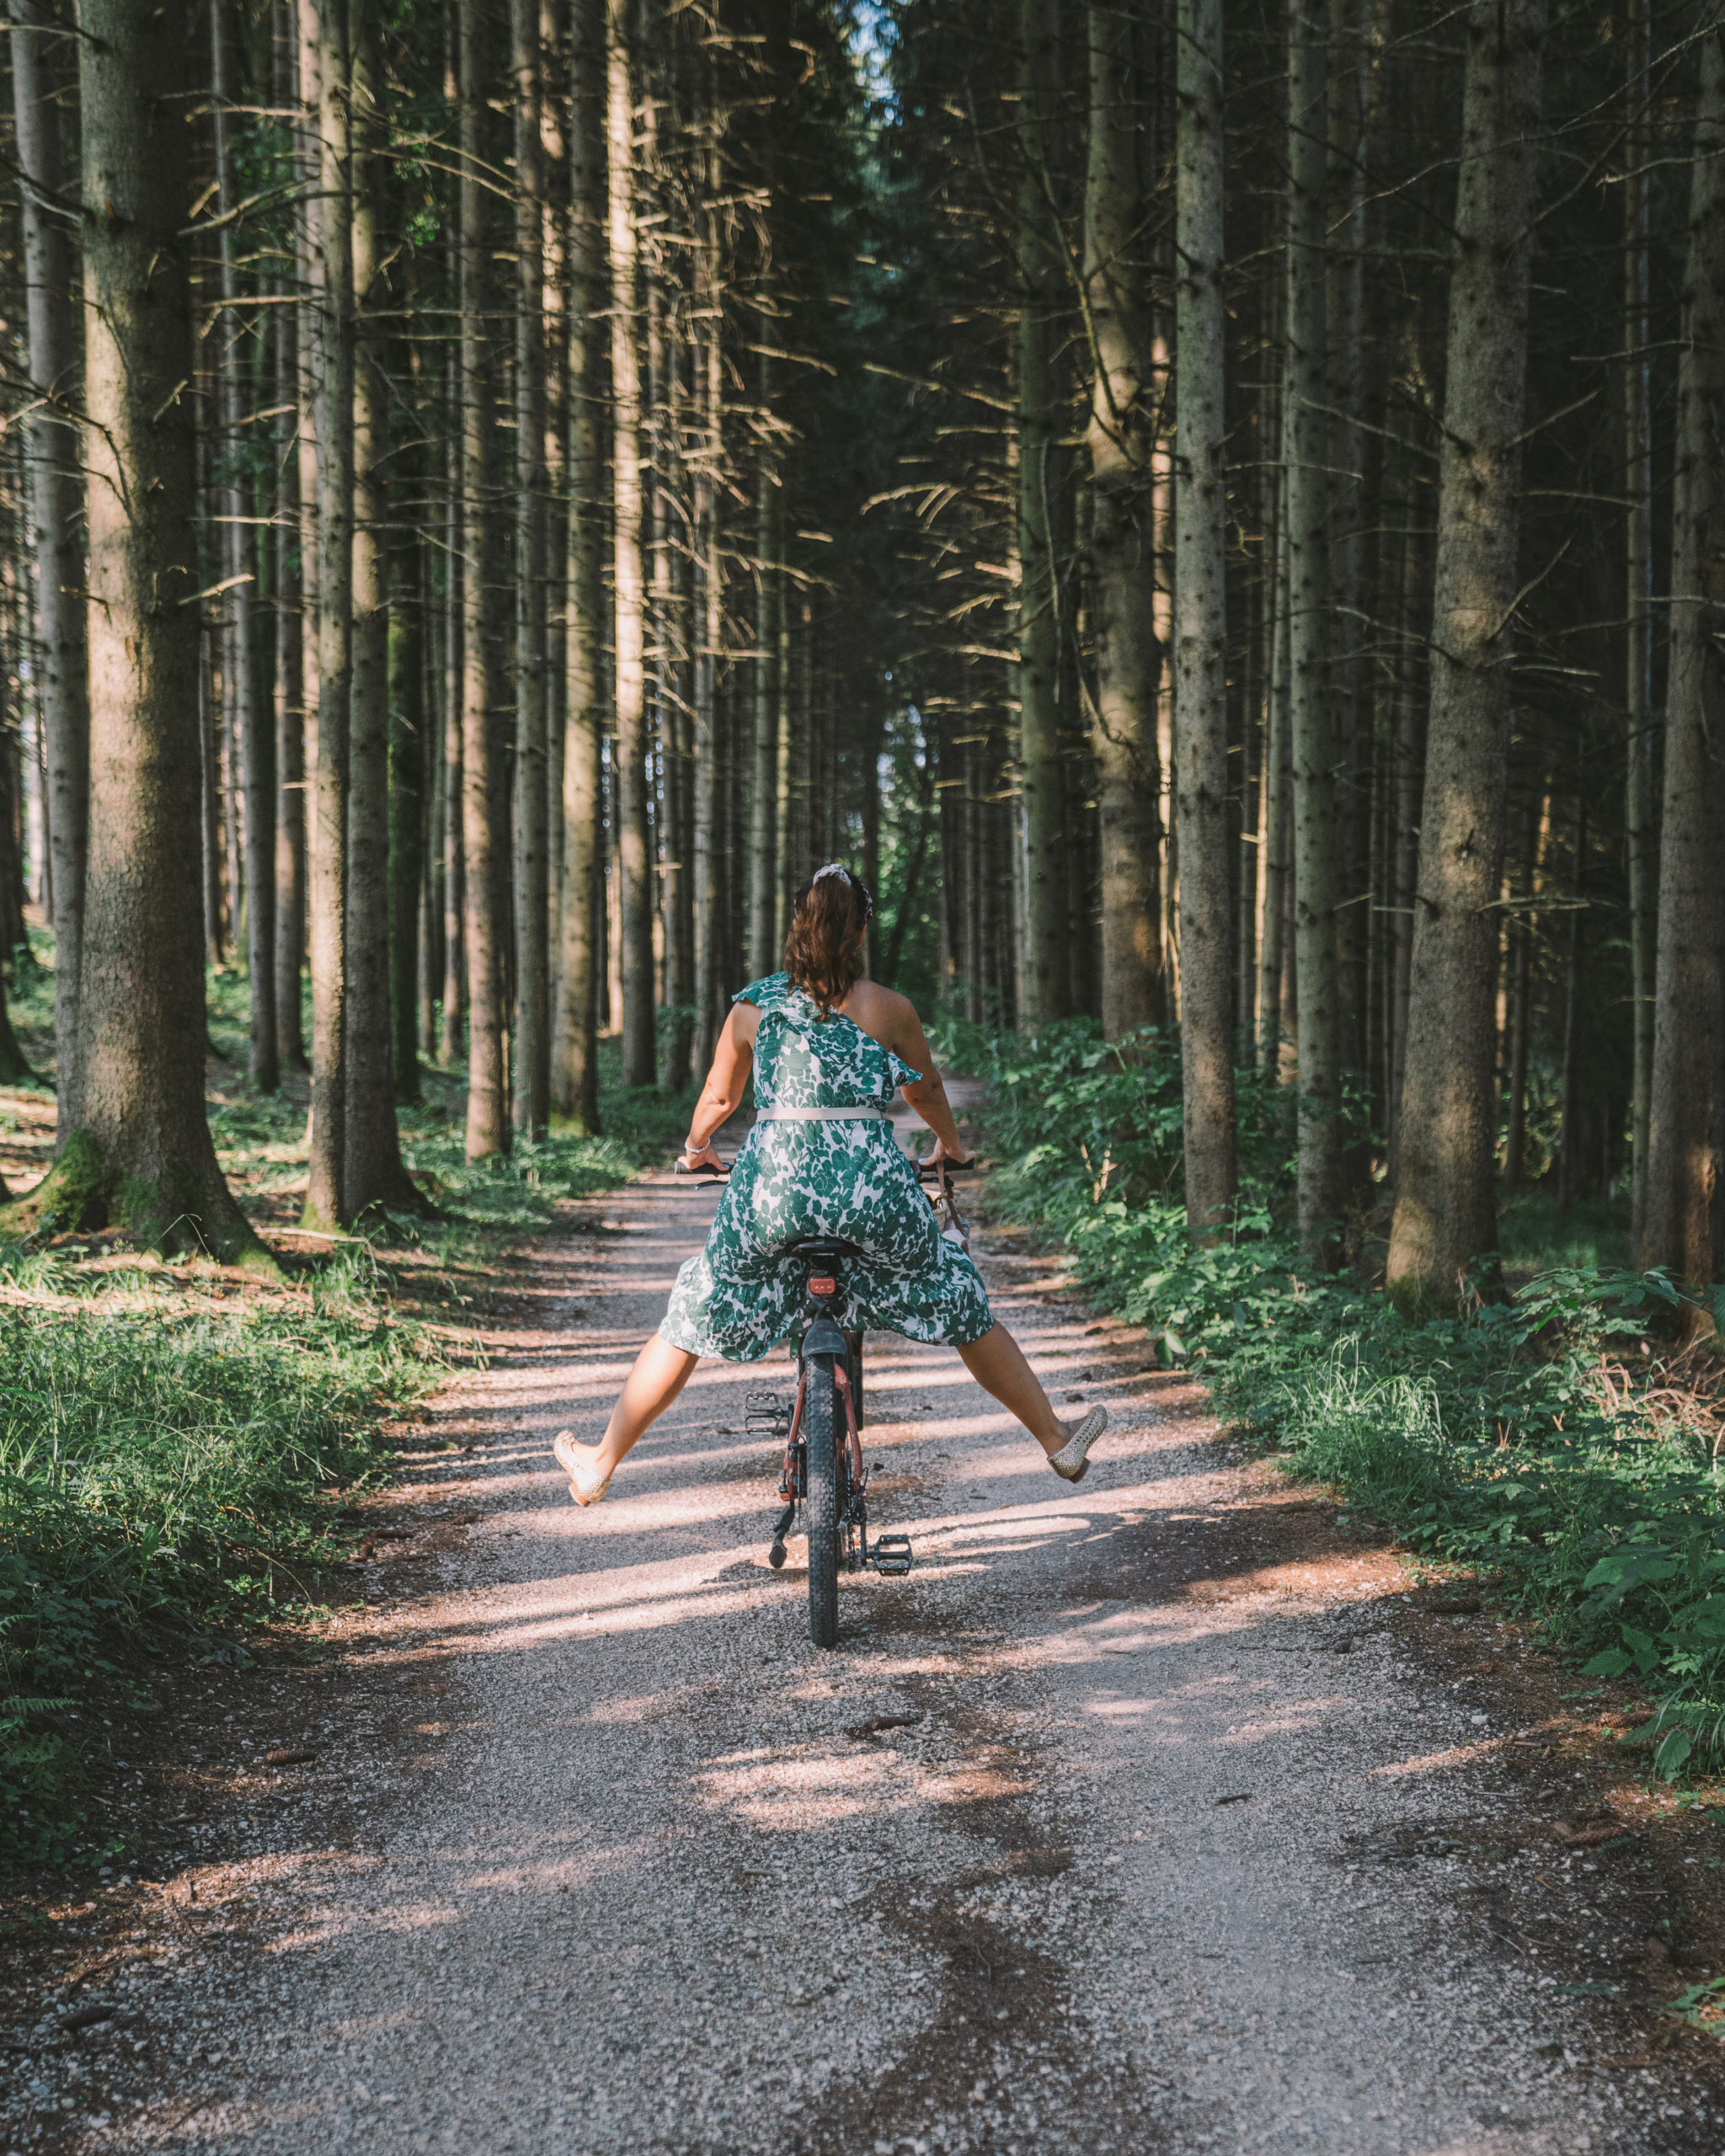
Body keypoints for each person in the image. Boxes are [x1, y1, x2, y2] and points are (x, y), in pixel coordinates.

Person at [551, 862, 1107, 1505]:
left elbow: (718, 1097)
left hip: (771, 1198)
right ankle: (1054, 1438)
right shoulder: (891, 1009)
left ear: (798, 925)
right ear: (861, 931)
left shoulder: (754, 1006)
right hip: (874, 1198)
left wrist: (697, 1149)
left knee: (695, 1306)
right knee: (955, 1293)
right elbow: (925, 1092)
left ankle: (600, 1459)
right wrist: (950, 1148)